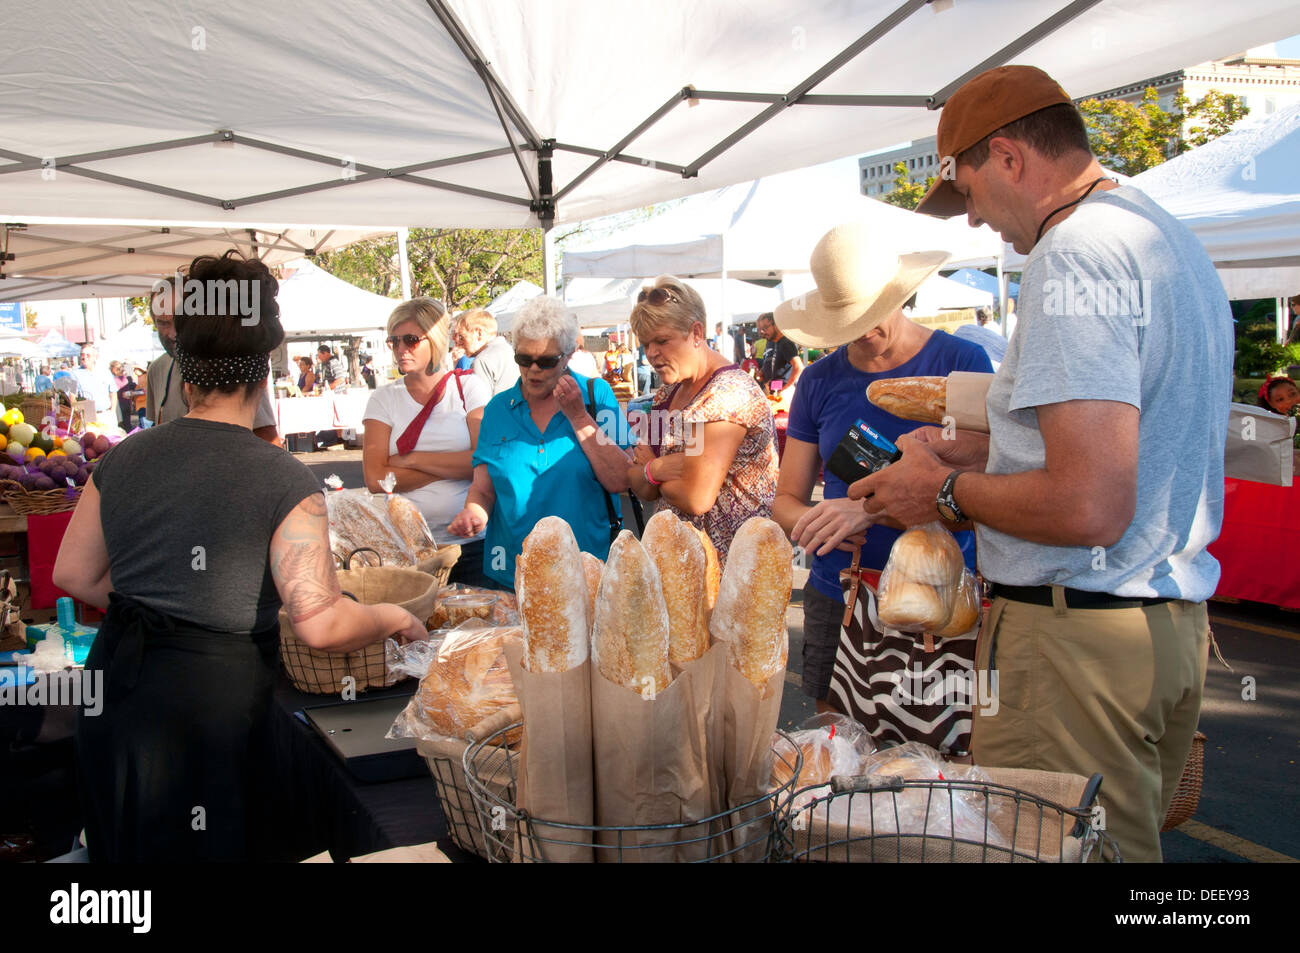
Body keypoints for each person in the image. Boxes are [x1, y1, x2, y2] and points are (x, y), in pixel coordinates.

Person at [849, 65, 1232, 863]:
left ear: (1011, 156)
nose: (978, 220)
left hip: (1077, 640)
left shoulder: (1075, 253)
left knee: (1055, 853)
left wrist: (943, 489)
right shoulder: (1159, 234)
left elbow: (1089, 503)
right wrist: (994, 444)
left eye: (971, 193)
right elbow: (1127, 435)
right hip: (1156, 623)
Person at [54, 251, 426, 862]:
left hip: (118, 692)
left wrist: (163, 598)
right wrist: (393, 618)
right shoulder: (281, 477)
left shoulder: (125, 456)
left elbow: (73, 573)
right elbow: (321, 620)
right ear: (265, 374)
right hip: (208, 712)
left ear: (186, 369)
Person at [771, 223, 993, 715]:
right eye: (848, 320)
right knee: (840, 742)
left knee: (940, 747)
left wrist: (866, 510)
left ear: (900, 295)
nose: (864, 330)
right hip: (841, 591)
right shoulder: (819, 381)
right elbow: (785, 499)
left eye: (872, 313)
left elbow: (985, 492)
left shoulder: (963, 362)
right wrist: (818, 523)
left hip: (939, 590)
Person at [448, 297, 632, 589]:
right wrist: (475, 513)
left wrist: (579, 416)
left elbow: (621, 478)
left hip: (585, 573)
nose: (533, 369)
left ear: (568, 355)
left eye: (546, 361)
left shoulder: (597, 396)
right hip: (511, 573)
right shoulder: (497, 409)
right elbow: (483, 489)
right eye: (523, 358)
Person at [626, 276, 778, 560]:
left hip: (727, 574)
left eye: (662, 341)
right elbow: (638, 481)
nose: (652, 354)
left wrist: (653, 468)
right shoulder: (668, 393)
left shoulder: (726, 394)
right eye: (646, 344)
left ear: (696, 333)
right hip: (678, 565)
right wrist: (658, 471)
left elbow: (695, 497)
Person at [363, 298, 491, 587]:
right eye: (393, 341)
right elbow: (374, 478)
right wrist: (455, 464)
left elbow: (481, 460)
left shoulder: (468, 388)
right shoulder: (384, 398)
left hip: (470, 545)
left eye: (410, 340)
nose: (400, 349)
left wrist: (411, 459)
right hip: (407, 549)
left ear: (434, 340)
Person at [147, 278, 282, 445]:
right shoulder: (157, 369)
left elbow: (268, 438)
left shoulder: (227, 363)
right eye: (163, 323)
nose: (173, 333)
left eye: (179, 321)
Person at [457, 309, 519, 395]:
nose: (458, 341)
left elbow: (480, 405)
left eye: (461, 336)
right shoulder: (508, 350)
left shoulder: (482, 360)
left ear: (478, 333)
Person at [756, 312, 803, 392]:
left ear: (776, 325)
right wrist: (762, 372)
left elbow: (799, 367)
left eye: (765, 328)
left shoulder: (786, 342)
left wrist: (785, 389)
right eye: (760, 329)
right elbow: (772, 362)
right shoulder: (773, 342)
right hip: (773, 388)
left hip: (783, 391)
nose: (762, 332)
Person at [71, 345, 115, 427]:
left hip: (106, 414)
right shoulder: (75, 374)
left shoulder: (105, 372)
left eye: (88, 355)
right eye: (82, 354)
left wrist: (113, 412)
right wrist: (78, 414)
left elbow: (113, 392)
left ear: (95, 357)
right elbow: (72, 398)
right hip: (88, 415)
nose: (84, 357)